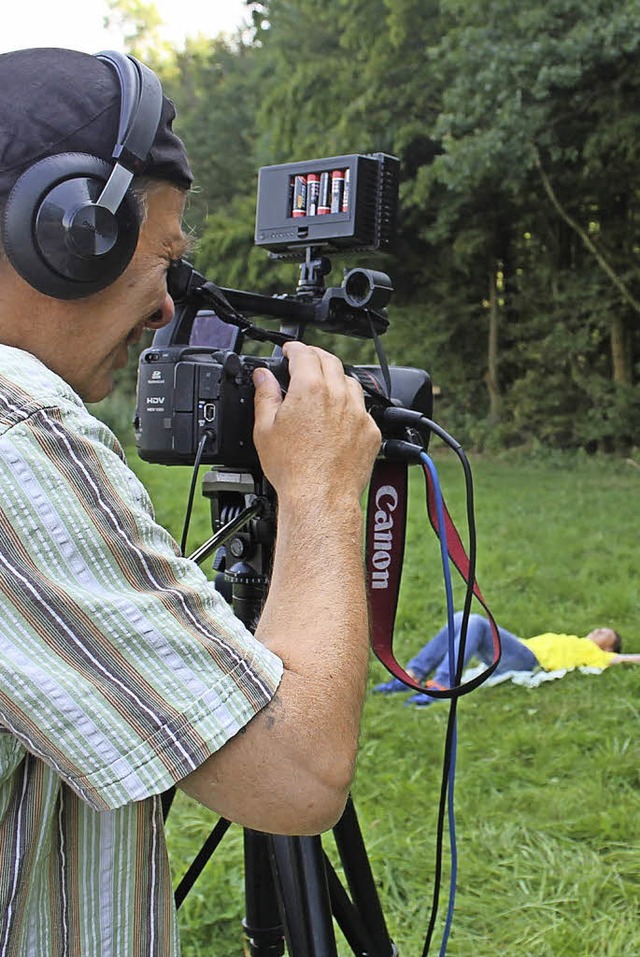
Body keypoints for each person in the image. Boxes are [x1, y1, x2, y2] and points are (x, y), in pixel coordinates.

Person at [0, 48, 381, 955]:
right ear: (66, 234)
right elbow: (297, 774)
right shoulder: (18, 433)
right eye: (165, 259)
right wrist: (321, 488)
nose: (170, 308)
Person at [373, 611, 639, 706]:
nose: (598, 630)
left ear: (609, 648)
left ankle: (443, 683)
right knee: (461, 619)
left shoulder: (597, 656)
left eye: (606, 633)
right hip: (517, 651)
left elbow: (629, 659)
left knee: (475, 621)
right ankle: (412, 675)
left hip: (528, 662)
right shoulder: (575, 639)